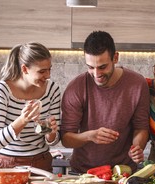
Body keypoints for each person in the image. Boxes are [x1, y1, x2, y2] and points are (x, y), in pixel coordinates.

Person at [60, 31, 150, 173]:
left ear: (115, 58)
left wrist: (137, 147)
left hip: (122, 172)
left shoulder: (137, 84)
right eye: (90, 67)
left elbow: (141, 127)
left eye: (102, 67)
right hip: (83, 173)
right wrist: (90, 136)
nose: (96, 74)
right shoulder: (76, 88)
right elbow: (66, 138)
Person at [0, 42, 61, 173]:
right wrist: (23, 119)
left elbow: (52, 140)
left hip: (41, 163)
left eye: (49, 69)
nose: (48, 75)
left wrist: (50, 131)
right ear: (25, 69)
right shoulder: (2, 91)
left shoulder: (52, 90)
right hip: (7, 165)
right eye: (42, 71)